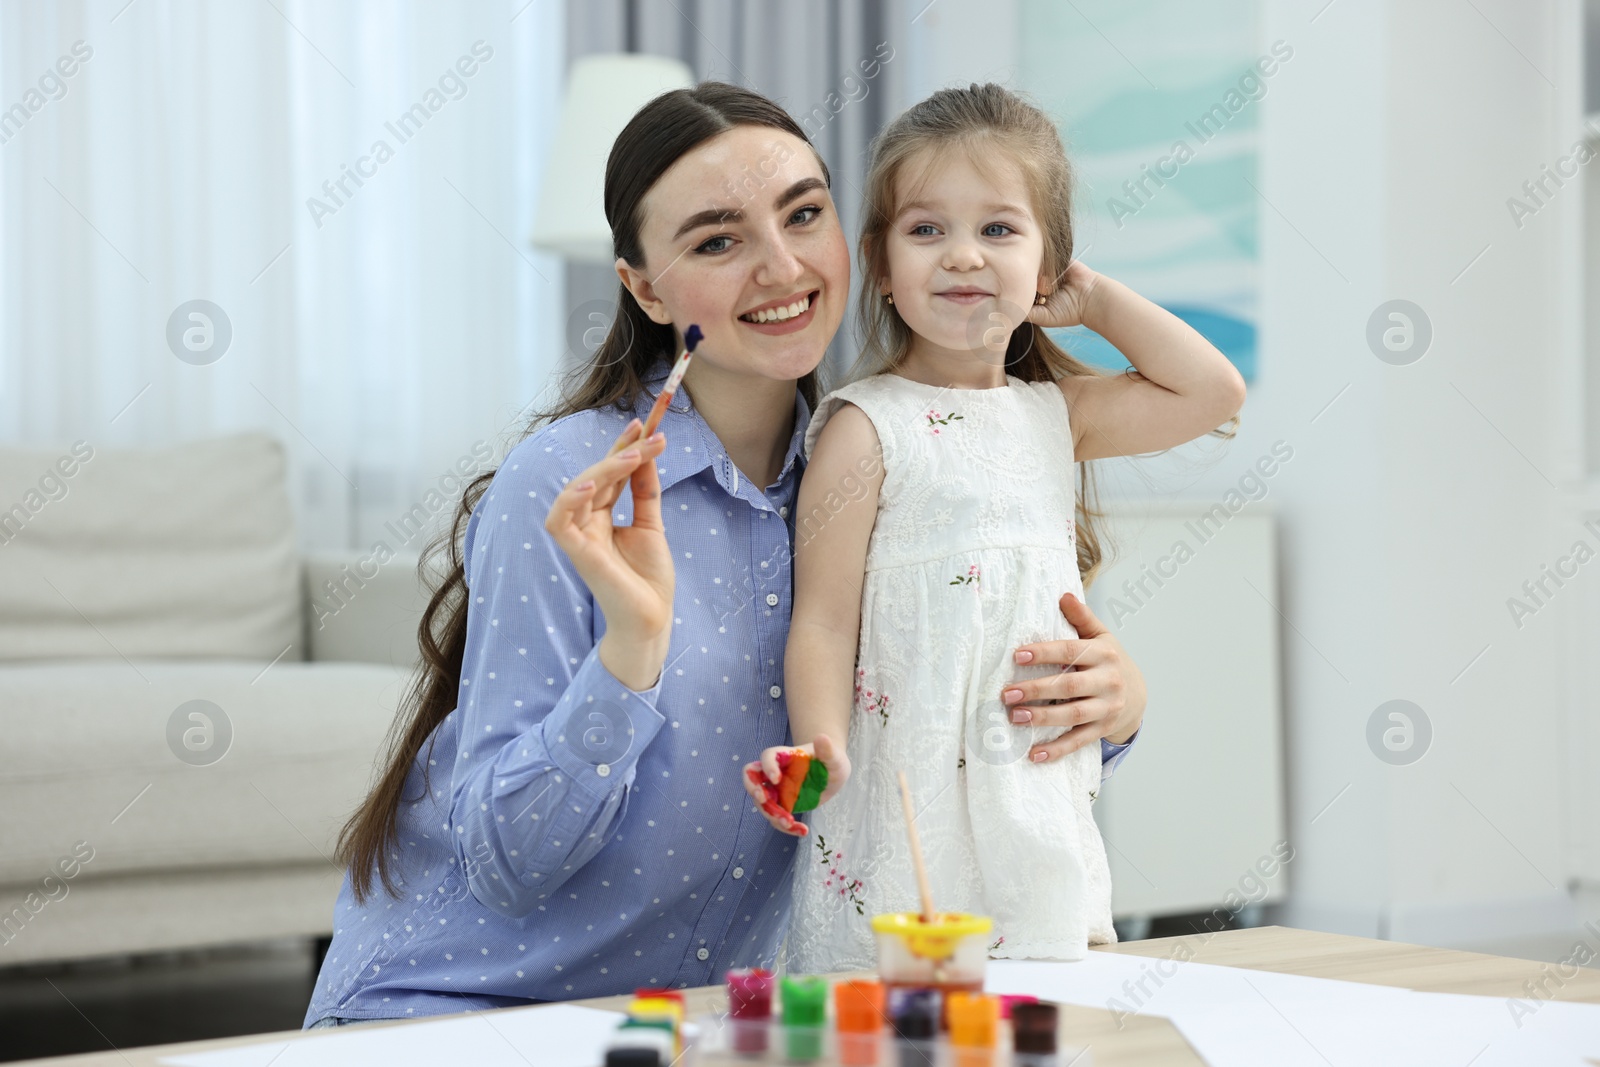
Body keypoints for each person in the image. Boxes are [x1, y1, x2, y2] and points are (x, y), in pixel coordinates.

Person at [303, 82, 1149, 1028]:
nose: (781, 266)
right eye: (717, 240)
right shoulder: (572, 484)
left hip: (705, 1019)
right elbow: (505, 865)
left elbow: (926, 748)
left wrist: (1107, 709)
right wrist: (629, 654)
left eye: (803, 215)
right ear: (645, 286)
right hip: (465, 1010)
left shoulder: (882, 470)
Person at [752, 84, 1245, 971]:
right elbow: (821, 618)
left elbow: (1214, 391)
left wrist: (1089, 299)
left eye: (1001, 230)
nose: (963, 257)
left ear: (1048, 262)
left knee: (1038, 1000)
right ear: (882, 259)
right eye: (927, 229)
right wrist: (818, 741)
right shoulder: (869, 427)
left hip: (1030, 785)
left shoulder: (1057, 414)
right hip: (906, 787)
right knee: (894, 1006)